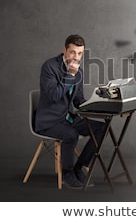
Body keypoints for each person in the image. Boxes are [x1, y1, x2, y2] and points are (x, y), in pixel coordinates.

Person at [34, 34, 105, 189]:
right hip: (48, 121)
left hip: (67, 118)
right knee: (70, 135)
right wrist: (70, 75)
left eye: (80, 53)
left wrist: (96, 104)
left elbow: (78, 99)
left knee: (101, 128)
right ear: (64, 50)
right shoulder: (50, 67)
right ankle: (67, 173)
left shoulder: (80, 72)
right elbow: (54, 96)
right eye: (72, 52)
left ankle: (78, 167)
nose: (76, 57)